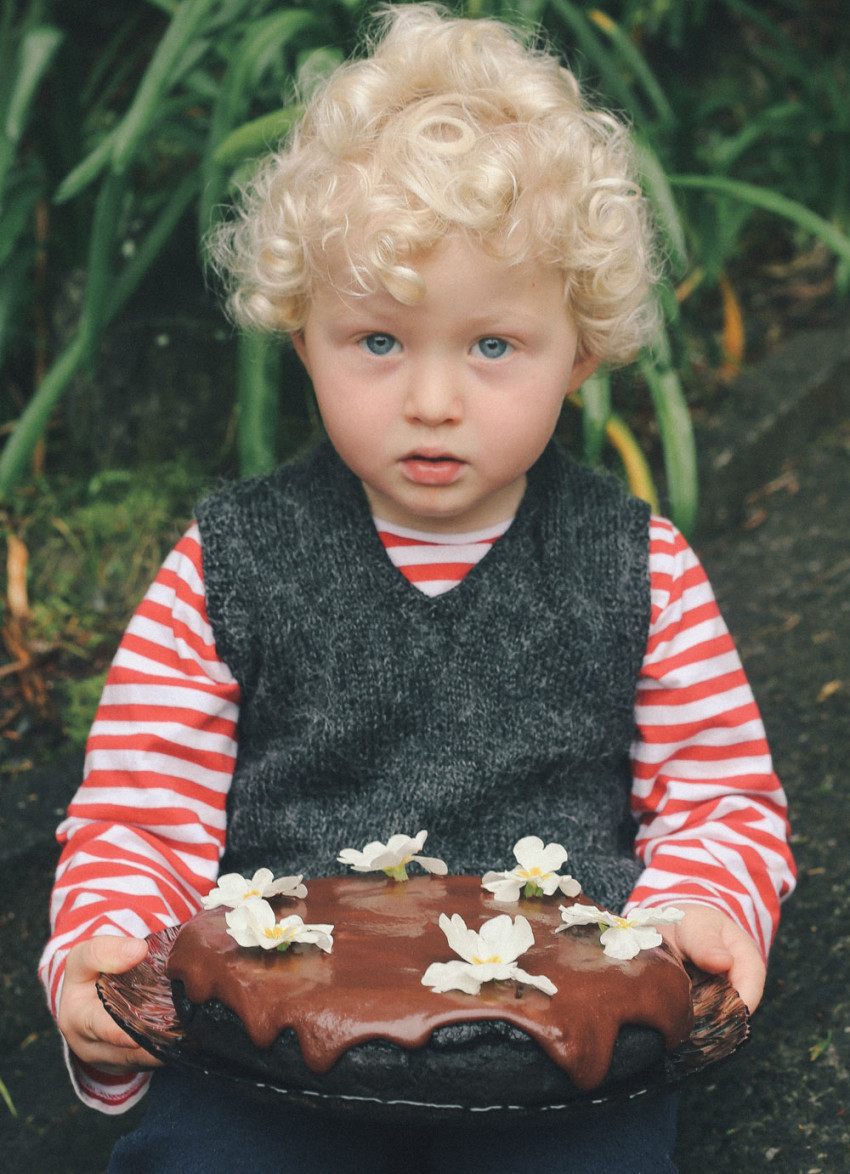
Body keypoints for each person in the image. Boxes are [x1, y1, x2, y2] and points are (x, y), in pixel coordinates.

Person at [40, 5, 795, 1171]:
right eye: (378, 342)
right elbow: (143, 812)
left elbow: (718, 795)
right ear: (303, 337)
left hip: (557, 1051)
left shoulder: (638, 568)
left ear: (579, 349)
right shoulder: (231, 564)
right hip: (270, 1042)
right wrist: (106, 951)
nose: (432, 398)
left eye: (492, 346)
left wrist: (706, 910)